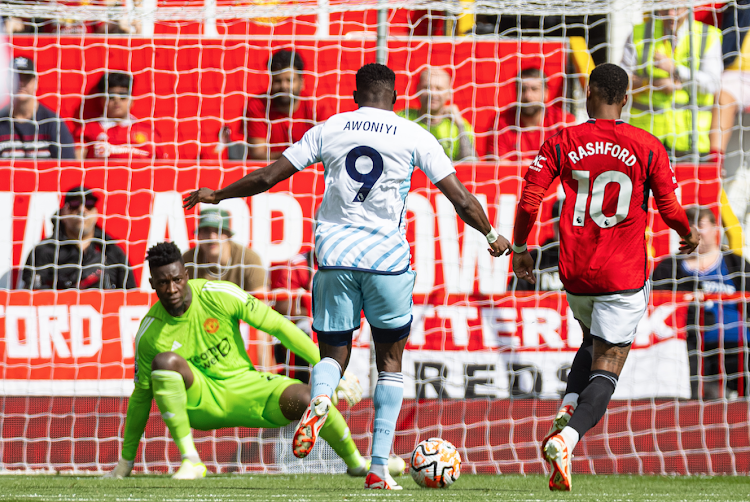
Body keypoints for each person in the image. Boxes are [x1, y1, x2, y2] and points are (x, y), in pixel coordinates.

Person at [184, 63, 510, 489]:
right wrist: (491, 233)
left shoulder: (329, 128)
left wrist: (218, 193)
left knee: (333, 356)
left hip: (335, 259)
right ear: (394, 97)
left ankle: (320, 397)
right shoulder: (414, 134)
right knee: (390, 361)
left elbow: (267, 177)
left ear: (356, 95)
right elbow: (461, 198)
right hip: (388, 263)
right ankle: (377, 467)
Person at [512, 63, 699, 492]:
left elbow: (529, 201)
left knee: (589, 340)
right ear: (626, 99)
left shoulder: (562, 140)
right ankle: (568, 437)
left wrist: (520, 250)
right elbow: (670, 209)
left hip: (575, 273)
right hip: (623, 275)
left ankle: (568, 404)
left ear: (589, 91)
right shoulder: (647, 144)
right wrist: (687, 234)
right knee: (609, 363)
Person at [104, 242, 400, 480]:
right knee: (165, 362)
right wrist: (125, 462)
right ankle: (191, 461)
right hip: (201, 402)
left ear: (186, 273)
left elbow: (280, 327)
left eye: (177, 279)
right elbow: (141, 397)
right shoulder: (149, 332)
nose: (171, 289)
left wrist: (334, 374)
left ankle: (356, 463)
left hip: (248, 387)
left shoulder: (218, 294)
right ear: (151, 282)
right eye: (163, 282)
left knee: (310, 398)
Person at [652, 206, 750, 400]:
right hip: (687, 350)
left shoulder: (736, 265)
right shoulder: (667, 268)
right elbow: (655, 310)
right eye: (688, 227)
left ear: (716, 229)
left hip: (738, 348)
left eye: (700, 225)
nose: (694, 232)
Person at [621, 7, 722, 159]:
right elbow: (621, 81)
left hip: (690, 138)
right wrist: (651, 84)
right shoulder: (639, 33)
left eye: (676, 9)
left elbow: (712, 84)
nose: (671, 14)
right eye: (665, 8)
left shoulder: (708, 35)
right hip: (645, 137)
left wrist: (676, 70)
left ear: (688, 5)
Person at [19, 186, 136, 290]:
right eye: (75, 204)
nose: (82, 210)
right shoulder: (43, 251)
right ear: (63, 214)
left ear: (96, 214)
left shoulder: (112, 251)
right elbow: (32, 297)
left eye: (89, 204)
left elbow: (131, 297)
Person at [240, 49, 329, 161]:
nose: (284, 86)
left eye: (289, 80)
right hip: (269, 173)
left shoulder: (316, 106)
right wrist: (299, 155)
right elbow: (258, 154)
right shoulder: (258, 105)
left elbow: (325, 150)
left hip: (308, 172)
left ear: (302, 82)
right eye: (278, 81)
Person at [71, 71, 167, 160]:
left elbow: (162, 168)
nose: (117, 100)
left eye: (123, 96)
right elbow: (77, 165)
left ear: (132, 100)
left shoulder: (149, 132)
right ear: (102, 100)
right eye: (111, 96)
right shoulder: (88, 130)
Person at [487, 68, 575, 161]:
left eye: (534, 89)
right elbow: (498, 166)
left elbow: (572, 163)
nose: (528, 96)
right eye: (523, 89)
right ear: (516, 92)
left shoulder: (563, 122)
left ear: (546, 93)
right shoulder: (501, 123)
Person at [0, 56, 75, 159]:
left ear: (36, 82)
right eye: (16, 78)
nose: (21, 83)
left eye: (26, 78)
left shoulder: (52, 123)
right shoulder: (1, 121)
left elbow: (68, 167)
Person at [398, 67, 476, 161]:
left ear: (449, 94)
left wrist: (460, 125)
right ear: (417, 90)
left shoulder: (460, 127)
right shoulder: (401, 119)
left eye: (439, 89)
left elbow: (471, 165)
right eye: (427, 87)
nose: (432, 93)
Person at [183, 208, 266, 292]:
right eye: (206, 231)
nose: (212, 238)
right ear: (198, 236)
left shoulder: (249, 259)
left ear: (229, 235)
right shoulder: (187, 260)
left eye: (219, 231)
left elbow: (261, 300)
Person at [270, 248, 315, 383]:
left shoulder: (352, 263)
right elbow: (283, 306)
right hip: (308, 325)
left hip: (353, 328)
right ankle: (304, 388)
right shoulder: (299, 264)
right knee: (304, 329)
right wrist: (310, 308)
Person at [510, 199, 563, 292]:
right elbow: (514, 298)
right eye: (560, 225)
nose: (565, 231)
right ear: (554, 225)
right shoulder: (534, 260)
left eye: (569, 225)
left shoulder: (584, 262)